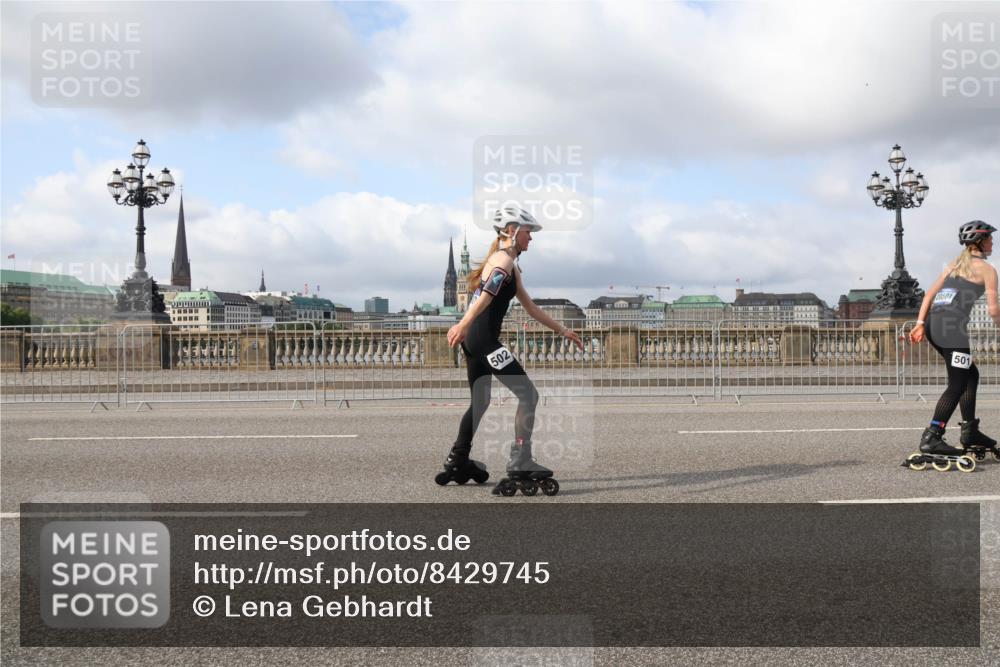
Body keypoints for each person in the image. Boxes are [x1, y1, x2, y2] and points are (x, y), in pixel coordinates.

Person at [435, 206, 583, 496]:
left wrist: (563, 331)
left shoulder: (508, 264)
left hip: (475, 341)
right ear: (513, 231)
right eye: (529, 232)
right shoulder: (502, 261)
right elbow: (488, 294)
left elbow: (531, 308)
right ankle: (520, 458)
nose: (532, 238)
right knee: (529, 394)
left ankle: (458, 457)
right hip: (483, 340)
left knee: (481, 400)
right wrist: (463, 324)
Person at [908, 220, 1000, 468]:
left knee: (970, 375)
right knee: (958, 382)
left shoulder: (954, 265)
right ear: (980, 241)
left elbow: (929, 295)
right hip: (952, 331)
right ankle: (932, 437)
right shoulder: (989, 270)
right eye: (990, 238)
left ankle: (970, 431)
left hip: (933, 325)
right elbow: (993, 310)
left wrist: (919, 323)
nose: (993, 241)